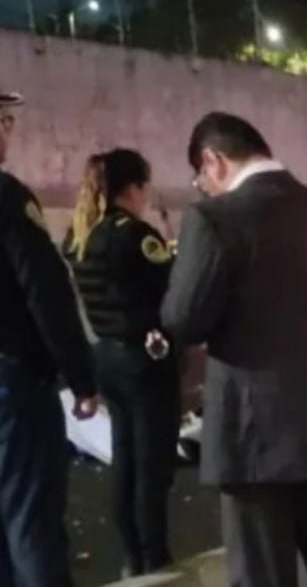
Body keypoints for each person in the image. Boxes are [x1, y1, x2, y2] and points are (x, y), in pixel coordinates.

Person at [160, 112, 307, 587]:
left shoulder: (213, 220)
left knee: (261, 577)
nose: (204, 190)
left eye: (201, 180)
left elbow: (184, 319)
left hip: (252, 437)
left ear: (212, 161)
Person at [0, 89, 100, 586]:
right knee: (31, 520)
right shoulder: (7, 197)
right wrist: (82, 377)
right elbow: (45, 292)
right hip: (11, 384)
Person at [66, 149, 179, 577]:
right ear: (132, 188)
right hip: (144, 362)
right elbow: (171, 283)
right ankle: (157, 560)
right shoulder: (134, 235)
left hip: (107, 357)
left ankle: (133, 556)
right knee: (152, 468)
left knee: (125, 459)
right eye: (143, 188)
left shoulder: (82, 234)